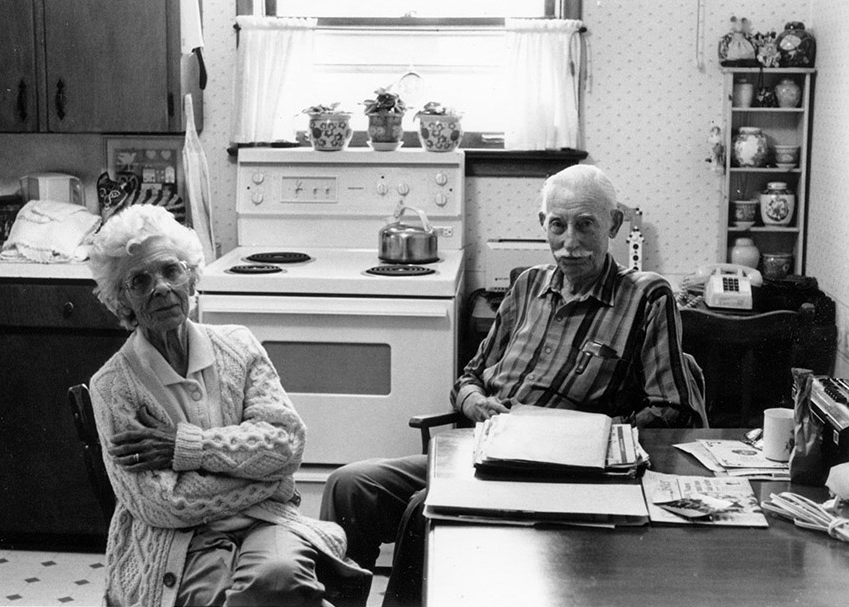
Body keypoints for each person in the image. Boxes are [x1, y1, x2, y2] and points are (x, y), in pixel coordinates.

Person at [320, 164, 707, 606]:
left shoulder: (646, 296)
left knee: (422, 509)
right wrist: (475, 403)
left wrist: (578, 435)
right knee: (349, 485)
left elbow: (674, 410)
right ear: (543, 224)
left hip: (565, 474)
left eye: (586, 226)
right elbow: (469, 377)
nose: (570, 243)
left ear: (613, 225)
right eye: (558, 226)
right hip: (480, 452)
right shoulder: (527, 286)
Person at [87, 205, 369, 607]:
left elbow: (285, 443)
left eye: (171, 271)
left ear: (192, 276)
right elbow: (163, 504)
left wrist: (186, 448)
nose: (162, 288)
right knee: (208, 599)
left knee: (279, 580)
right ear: (123, 302)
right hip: (177, 539)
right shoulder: (114, 386)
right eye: (140, 280)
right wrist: (265, 480)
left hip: (266, 521)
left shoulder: (239, 345)